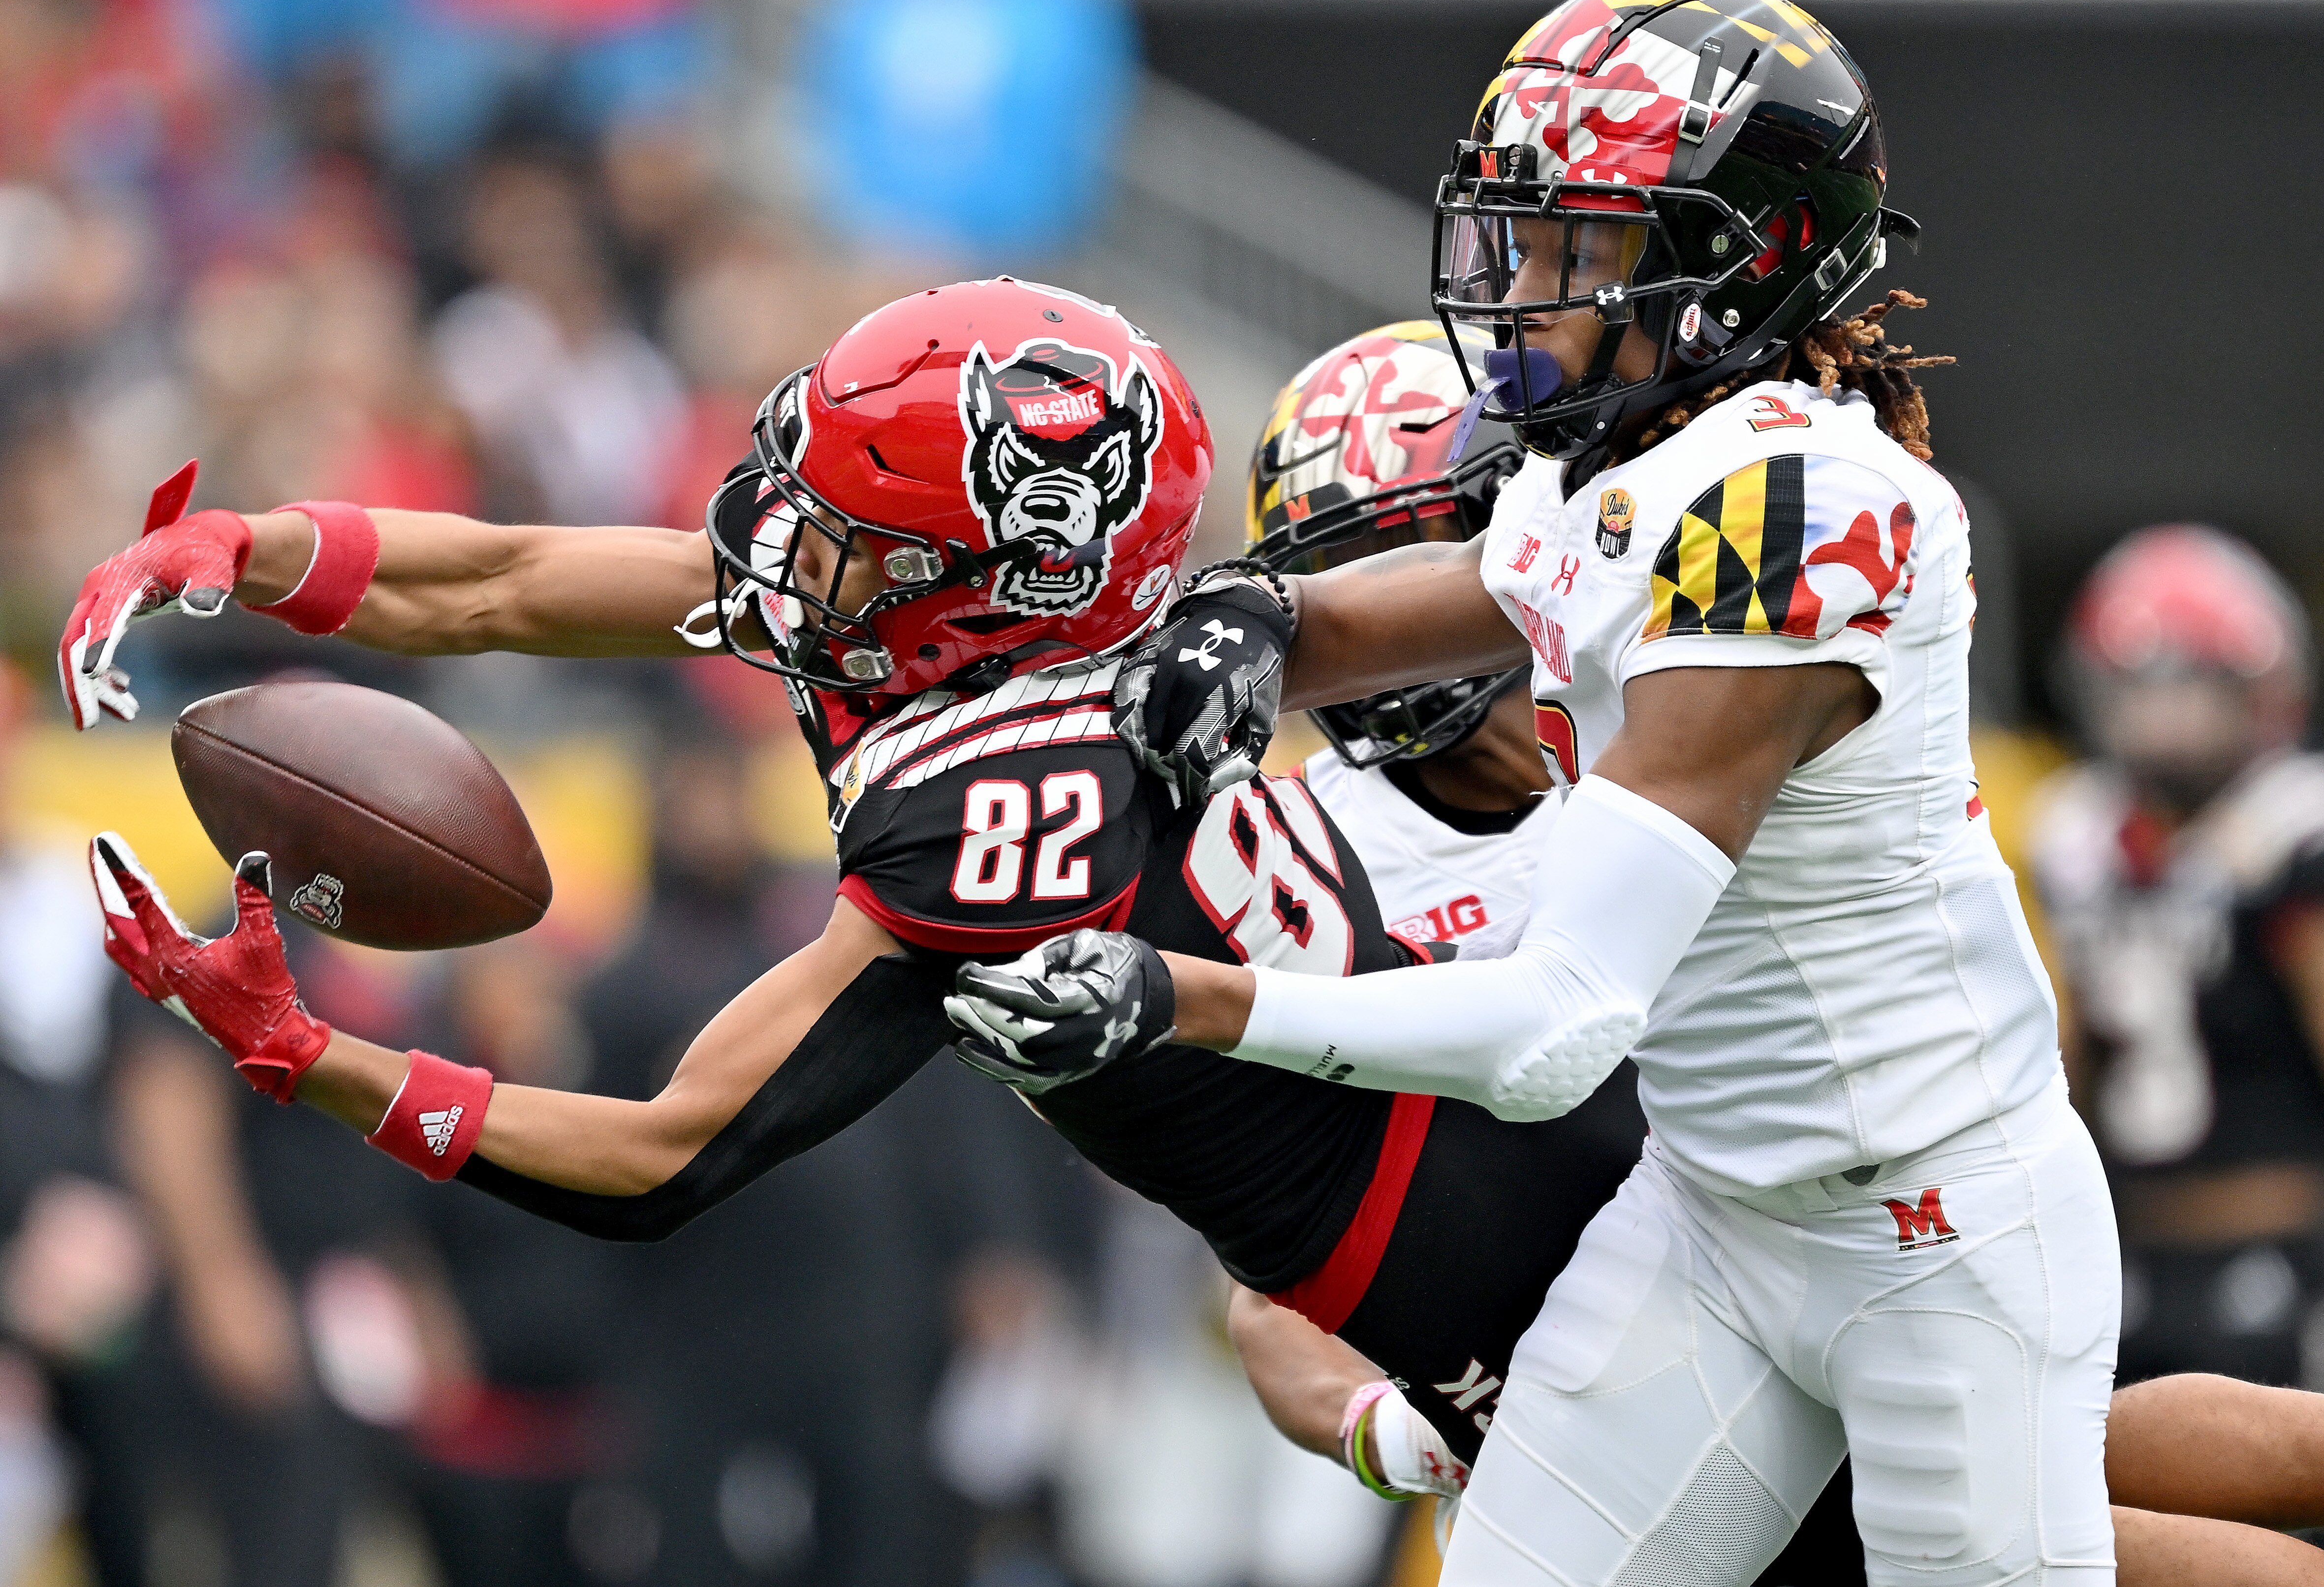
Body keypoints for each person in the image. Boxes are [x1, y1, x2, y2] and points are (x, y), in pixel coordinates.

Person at [49, 228, 2324, 1587]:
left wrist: (303, 1049)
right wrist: (242, 553)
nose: (783, 552)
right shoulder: (1037, 655)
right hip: (1551, 1230)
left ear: (990, 570)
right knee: (2079, 1473)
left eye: (851, 528)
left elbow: (659, 1149)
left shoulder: (1000, 794)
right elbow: (538, 573)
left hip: (1551, 1284)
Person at [949, 0, 2117, 1587]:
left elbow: (1557, 1024)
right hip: (1715, 1221)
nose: (1520, 288)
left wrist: (1185, 998)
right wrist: (1251, 618)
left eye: (1575, 247)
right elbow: (1446, 599)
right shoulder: (1646, 459)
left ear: (1737, 259)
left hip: (1927, 1233)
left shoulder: (1794, 513)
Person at [2032, 528, 2324, 1388]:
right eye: (2140, 688)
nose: (2165, 719)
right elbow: (2053, 1065)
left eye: (2192, 685)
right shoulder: (2077, 835)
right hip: (2123, 1251)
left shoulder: (2291, 831)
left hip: (2282, 1240)